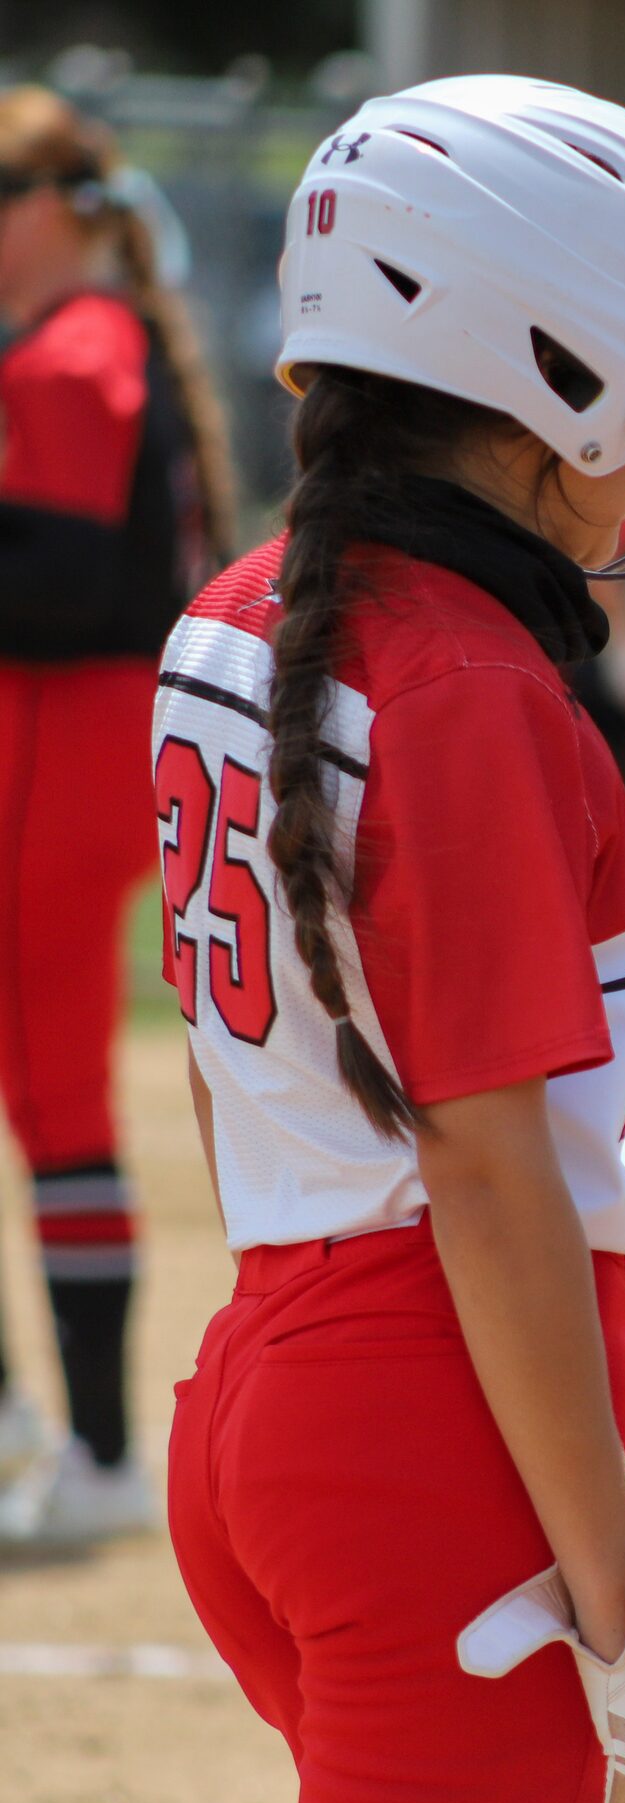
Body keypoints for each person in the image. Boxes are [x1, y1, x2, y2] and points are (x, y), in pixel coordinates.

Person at [155, 77, 625, 1803]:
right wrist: (614, 1580)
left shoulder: (243, 605)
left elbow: (226, 1067)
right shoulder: (471, 685)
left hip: (264, 1371)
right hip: (427, 1439)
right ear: (544, 368)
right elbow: (489, 1164)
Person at [0, 86, 234, 1541]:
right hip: (73, 746)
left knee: (58, 1097)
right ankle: (49, 1432)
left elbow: (66, 588)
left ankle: (89, 1452)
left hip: (56, 744)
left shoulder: (75, 353)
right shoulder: (85, 343)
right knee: (51, 1091)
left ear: (54, 208)